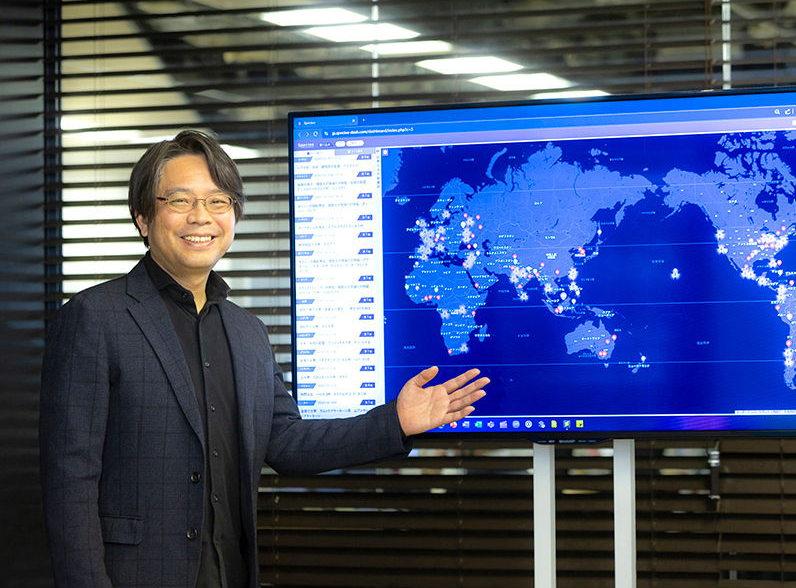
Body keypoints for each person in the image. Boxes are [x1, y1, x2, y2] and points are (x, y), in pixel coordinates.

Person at [39, 129, 488, 588]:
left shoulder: (246, 331)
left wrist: (395, 421)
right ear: (143, 217)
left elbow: (286, 444)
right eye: (179, 201)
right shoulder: (95, 317)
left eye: (218, 201)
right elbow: (69, 482)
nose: (201, 217)